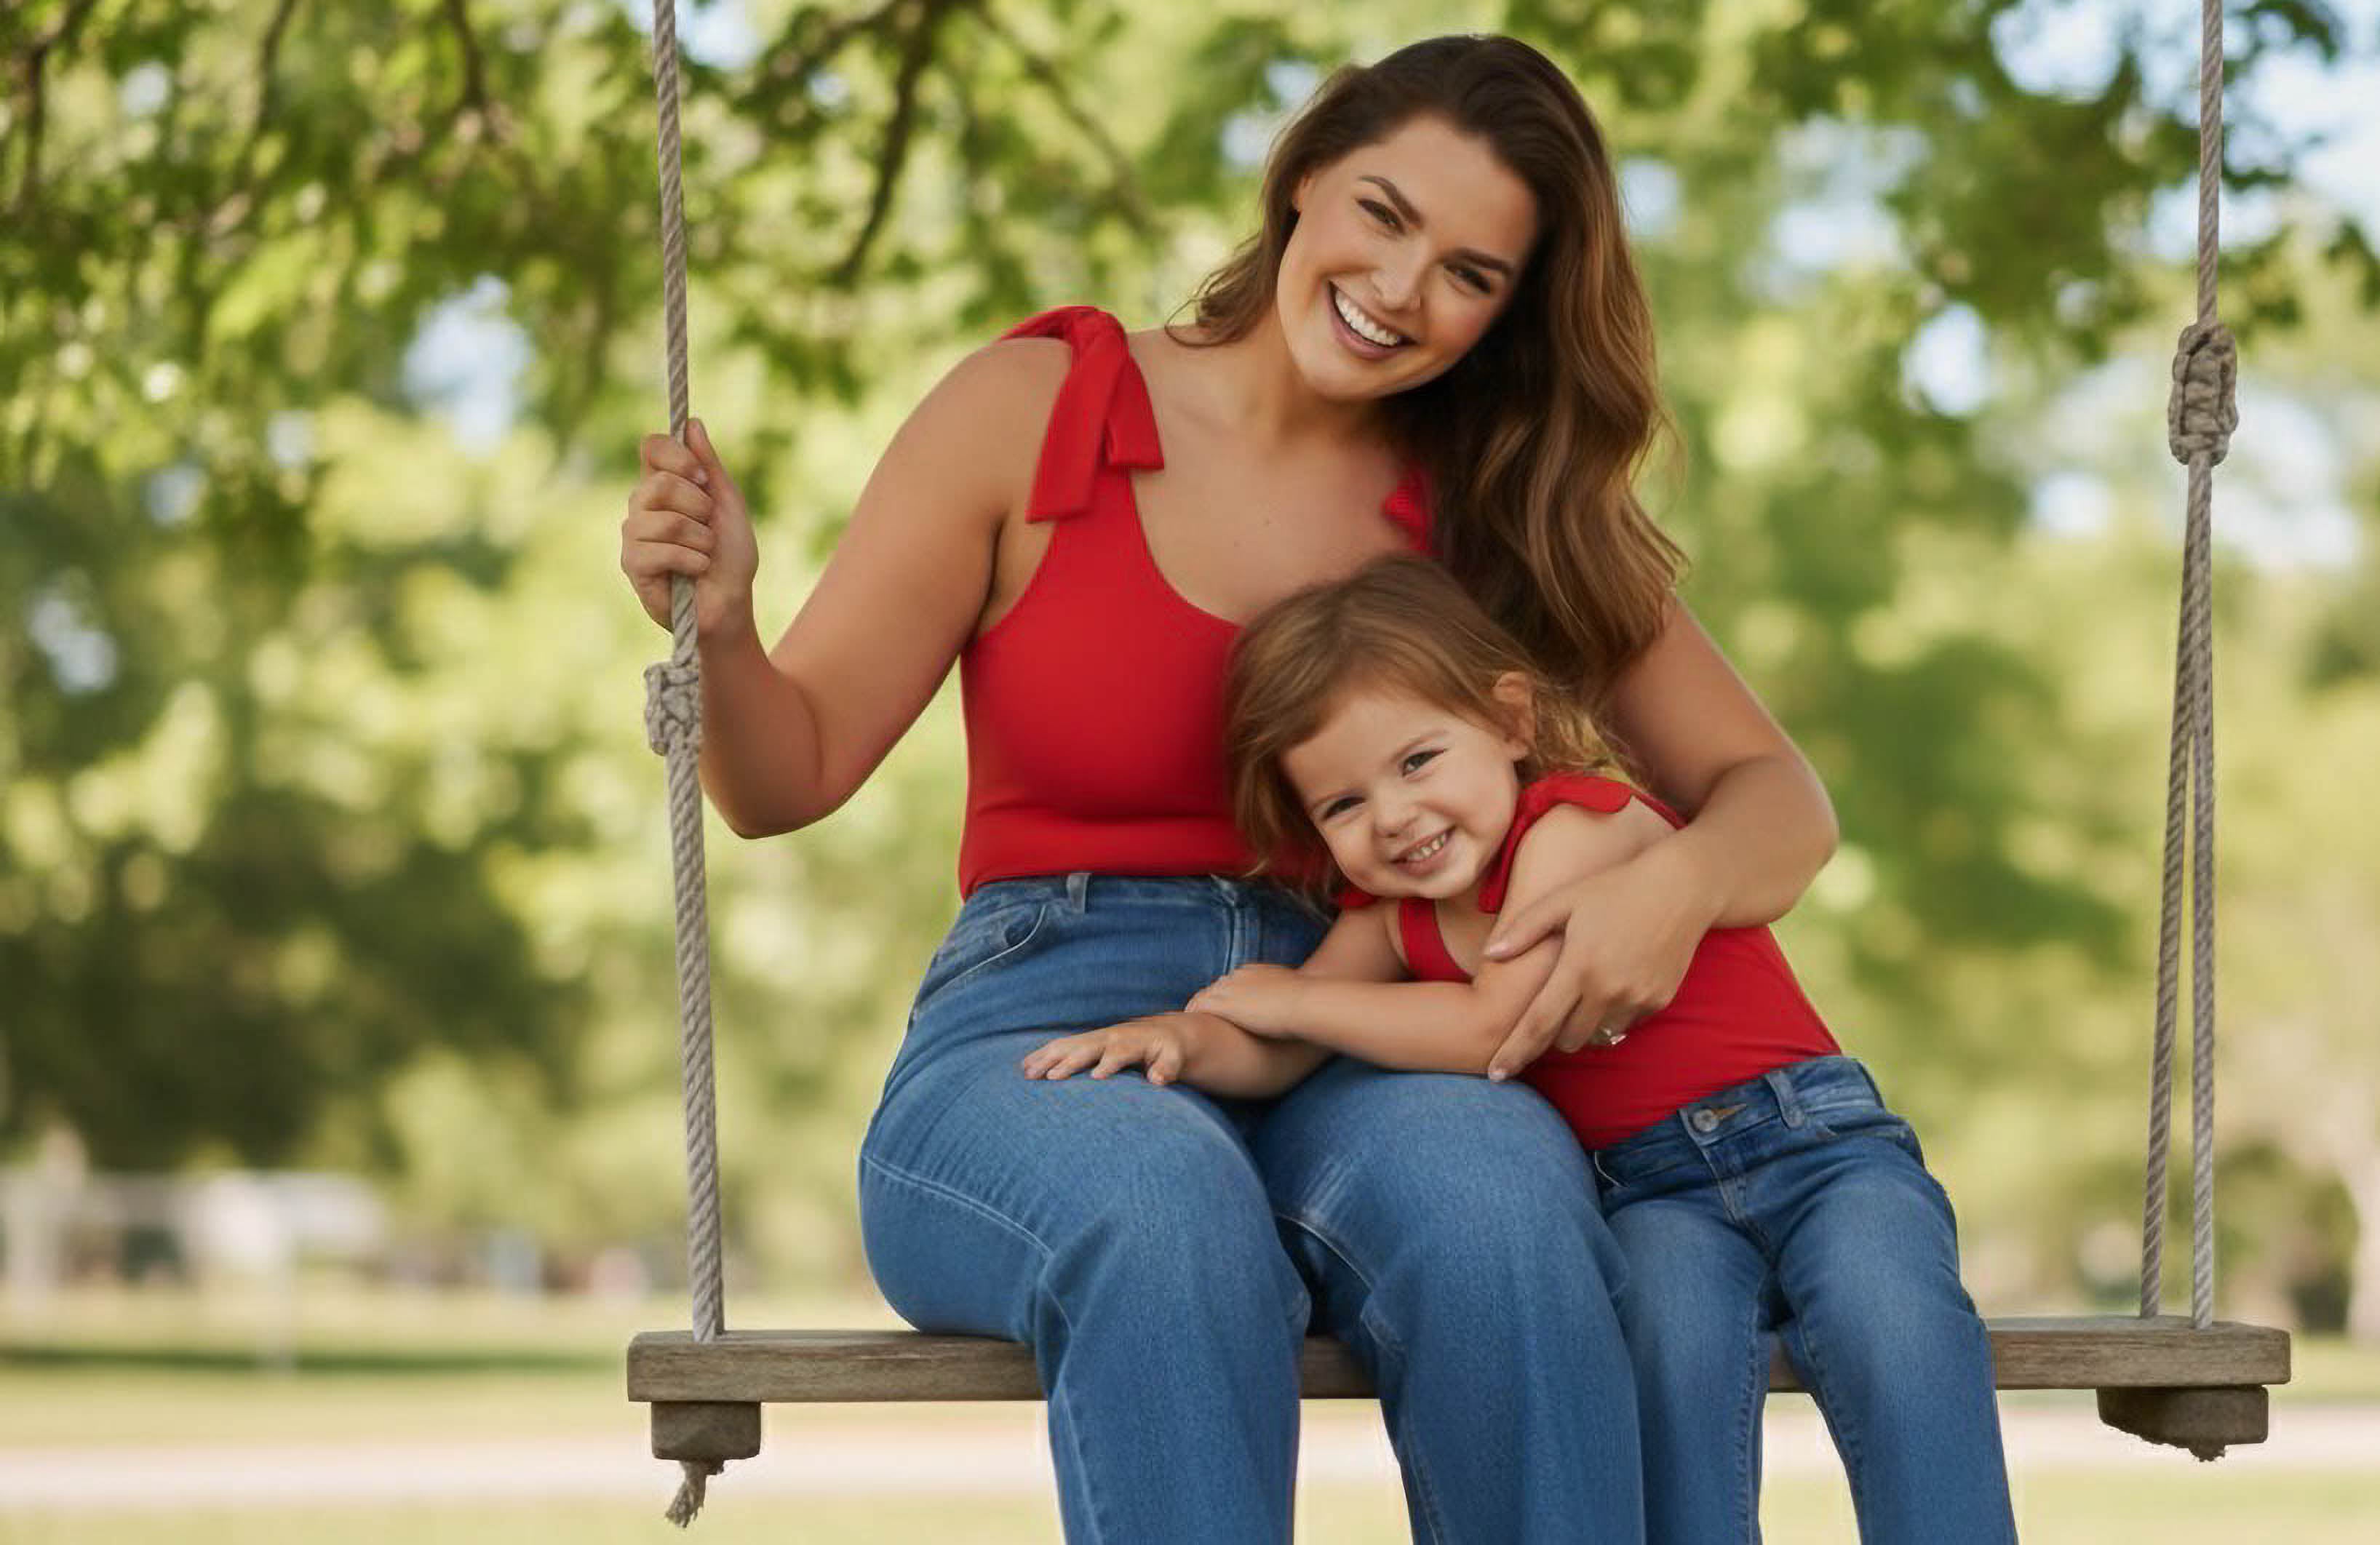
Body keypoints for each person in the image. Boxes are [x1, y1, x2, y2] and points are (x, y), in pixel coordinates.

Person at [616, 33, 1840, 1545]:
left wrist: (1669, 889)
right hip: (1042, 1032)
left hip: (1371, 1033)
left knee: (1504, 1200)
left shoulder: (1498, 497)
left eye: (1470, 272)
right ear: (1301, 183)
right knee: (1163, 1209)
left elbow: (1775, 798)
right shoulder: (1037, 405)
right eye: (1382, 215)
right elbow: (779, 777)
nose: (1400, 289)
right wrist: (724, 623)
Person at [1027, 555, 2018, 1545]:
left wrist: (1295, 1001)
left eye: (1418, 762)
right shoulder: (1391, 920)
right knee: (1667, 1371)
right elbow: (1280, 1052)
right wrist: (1181, 1041)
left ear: (1510, 722)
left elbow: (1488, 1028)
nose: (1396, 817)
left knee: (1895, 1325)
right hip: (1649, 1194)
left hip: (1812, 1145)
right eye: (1344, 805)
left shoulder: (1574, 822)